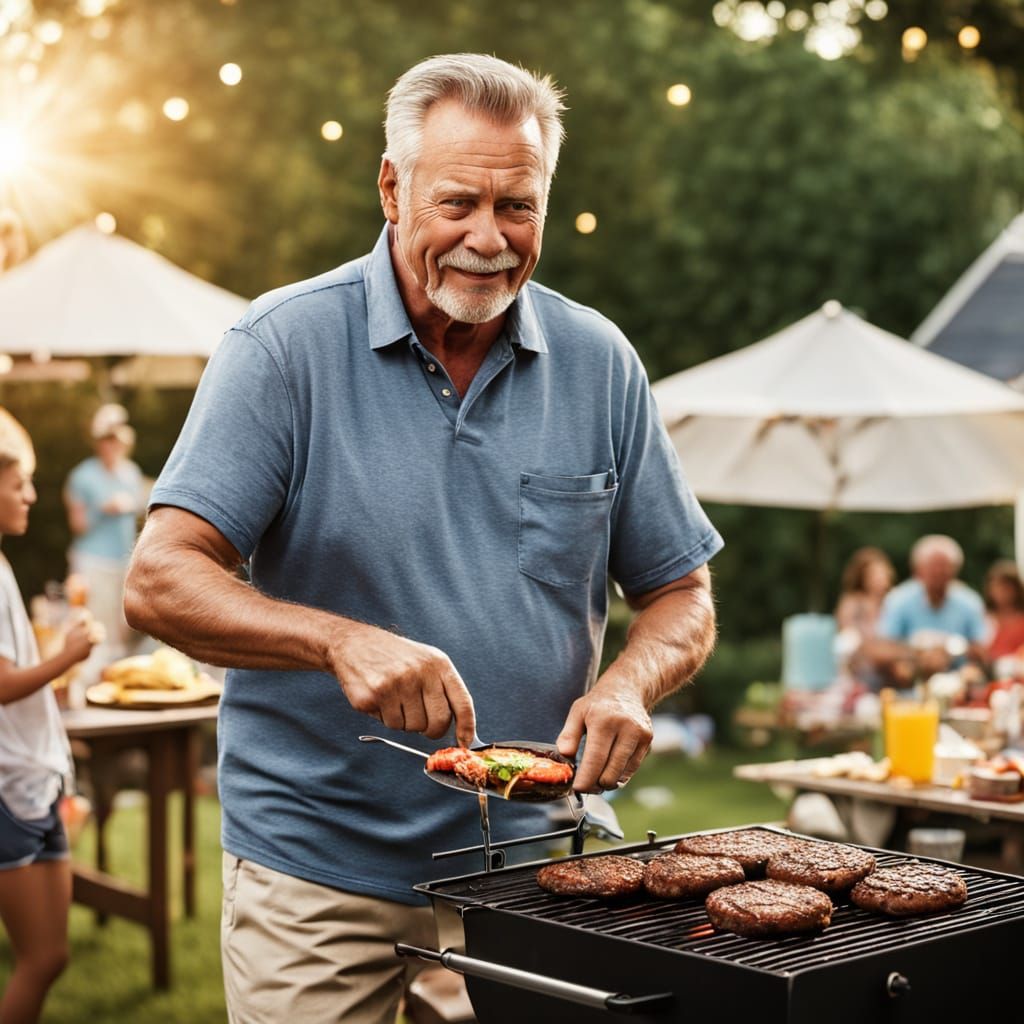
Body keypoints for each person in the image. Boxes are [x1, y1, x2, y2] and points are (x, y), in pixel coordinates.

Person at [124, 54, 722, 1024]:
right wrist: (337, 639)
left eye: (517, 207)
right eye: (458, 204)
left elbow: (682, 594)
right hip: (318, 866)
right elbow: (158, 579)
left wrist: (627, 681)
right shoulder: (280, 349)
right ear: (392, 190)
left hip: (535, 863)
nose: (488, 239)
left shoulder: (600, 362)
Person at [0, 408, 100, 1024]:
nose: (32, 495)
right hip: (8, 786)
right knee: (40, 958)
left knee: (52, 955)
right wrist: (66, 655)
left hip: (34, 779)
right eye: (19, 483)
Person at [63, 404, 145, 661]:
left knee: (122, 628)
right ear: (99, 443)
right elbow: (78, 525)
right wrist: (103, 510)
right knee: (94, 624)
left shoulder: (131, 473)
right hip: (92, 562)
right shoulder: (82, 476)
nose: (112, 446)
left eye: (116, 440)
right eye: (107, 440)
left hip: (122, 561)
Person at [869, 534, 986, 683]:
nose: (938, 573)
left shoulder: (970, 602)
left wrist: (950, 652)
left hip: (959, 687)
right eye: (933, 567)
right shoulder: (899, 600)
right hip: (908, 687)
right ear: (918, 570)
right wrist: (918, 655)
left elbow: (982, 651)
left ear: (955, 570)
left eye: (944, 567)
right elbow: (881, 649)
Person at [835, 547, 895, 688]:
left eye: (882, 573)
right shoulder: (851, 603)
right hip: (862, 664)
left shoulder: (894, 601)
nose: (880, 579)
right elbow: (848, 636)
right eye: (874, 574)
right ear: (863, 577)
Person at [983, 559, 1024, 664]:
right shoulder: (984, 618)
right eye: (997, 586)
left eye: (1006, 587)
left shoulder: (1021, 620)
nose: (1001, 592)